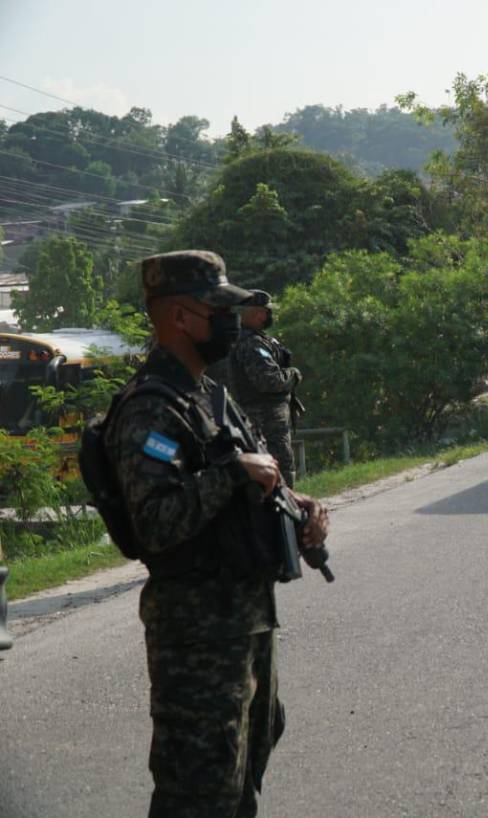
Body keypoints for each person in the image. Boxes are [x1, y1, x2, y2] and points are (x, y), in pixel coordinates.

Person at [105, 250, 329, 817]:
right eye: (219, 309)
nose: (230, 321)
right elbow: (155, 523)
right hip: (197, 634)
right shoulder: (150, 409)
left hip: (246, 617)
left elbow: (256, 477)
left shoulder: (208, 397)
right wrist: (232, 474)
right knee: (199, 790)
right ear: (180, 317)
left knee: (245, 766)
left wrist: (299, 506)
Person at [229, 290, 302, 487]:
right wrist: (293, 375)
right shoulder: (251, 343)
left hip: (268, 421)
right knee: (280, 472)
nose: (270, 316)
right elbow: (269, 381)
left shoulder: (255, 339)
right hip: (265, 421)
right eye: (268, 311)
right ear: (259, 313)